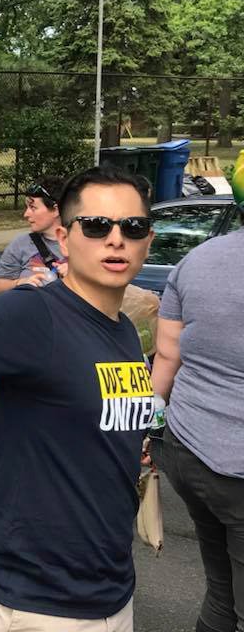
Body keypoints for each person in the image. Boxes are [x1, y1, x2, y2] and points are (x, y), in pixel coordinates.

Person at [0, 166, 157, 632]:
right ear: (64, 236)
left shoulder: (125, 328)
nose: (116, 240)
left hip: (109, 588)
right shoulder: (32, 314)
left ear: (148, 239)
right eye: (97, 226)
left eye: (132, 227)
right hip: (34, 603)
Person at [151, 223, 244, 632]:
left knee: (222, 591)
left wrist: (145, 431)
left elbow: (166, 357)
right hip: (235, 466)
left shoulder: (198, 259)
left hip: (187, 448)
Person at [0, 176, 67, 294]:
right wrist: (19, 283)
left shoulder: (81, 243)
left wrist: (77, 278)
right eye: (27, 207)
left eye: (33, 207)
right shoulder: (20, 244)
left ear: (56, 210)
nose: (26, 214)